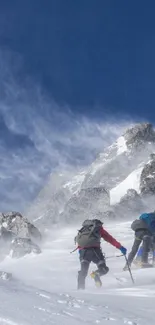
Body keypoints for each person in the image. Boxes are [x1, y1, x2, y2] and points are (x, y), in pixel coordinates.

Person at [74, 219, 127, 289]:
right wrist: (120, 247)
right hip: (95, 252)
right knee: (103, 268)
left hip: (83, 252)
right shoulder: (98, 229)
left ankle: (80, 289)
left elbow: (79, 242)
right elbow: (110, 239)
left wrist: (81, 252)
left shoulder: (83, 229)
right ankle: (96, 274)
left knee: (83, 271)